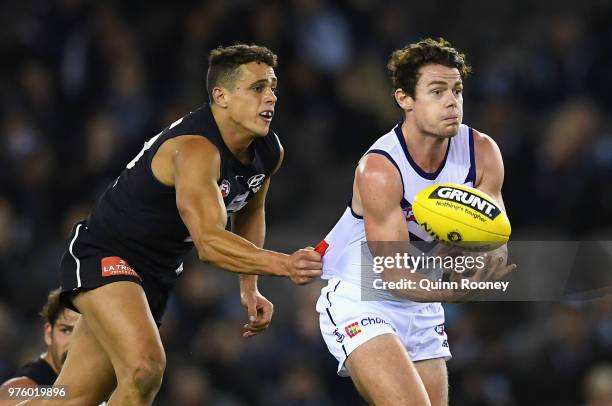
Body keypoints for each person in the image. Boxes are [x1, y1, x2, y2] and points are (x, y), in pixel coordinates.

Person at [21, 44, 322, 406]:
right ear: (221, 96)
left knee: (72, 398)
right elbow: (209, 243)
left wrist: (249, 285)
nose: (271, 96)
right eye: (258, 87)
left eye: (273, 86)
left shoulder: (267, 150)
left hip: (153, 275)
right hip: (107, 254)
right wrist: (285, 265)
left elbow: (250, 208)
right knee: (145, 368)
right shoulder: (195, 150)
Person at [315, 38, 515, 405]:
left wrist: (479, 264)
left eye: (456, 90)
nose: (452, 101)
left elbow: (495, 238)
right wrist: (452, 292)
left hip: (423, 301)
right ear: (404, 99)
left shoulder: (482, 152)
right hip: (363, 297)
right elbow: (392, 274)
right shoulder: (380, 168)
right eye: (436, 91)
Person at [0, 289, 79, 406]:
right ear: (48, 333)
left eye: (84, 333)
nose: (73, 342)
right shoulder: (19, 390)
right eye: (66, 330)